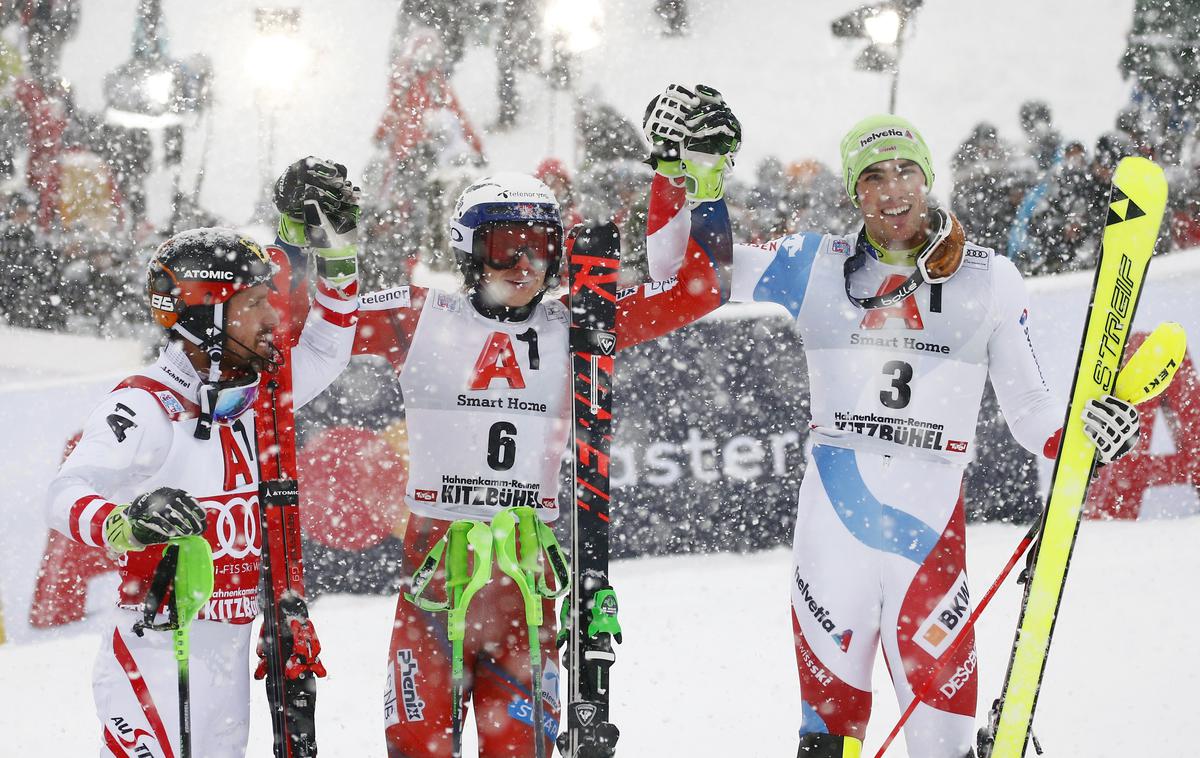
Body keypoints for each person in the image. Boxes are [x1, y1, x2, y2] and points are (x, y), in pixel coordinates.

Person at [642, 90, 1143, 757]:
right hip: (832, 538)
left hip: (927, 541)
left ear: (928, 177)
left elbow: (1030, 410)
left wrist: (1084, 434)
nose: (892, 189)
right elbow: (678, 275)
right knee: (827, 743)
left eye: (905, 169)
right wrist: (684, 178)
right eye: (872, 177)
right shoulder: (813, 264)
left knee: (944, 746)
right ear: (856, 194)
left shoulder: (991, 277)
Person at [352, 168, 728, 756]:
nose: (524, 262)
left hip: (526, 587)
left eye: (543, 245)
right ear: (468, 248)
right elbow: (299, 322)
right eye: (505, 244)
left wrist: (688, 178)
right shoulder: (420, 314)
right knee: (416, 748)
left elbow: (700, 288)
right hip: (435, 580)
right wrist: (303, 242)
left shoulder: (581, 321)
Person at [44, 159, 361, 757]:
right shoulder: (147, 404)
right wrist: (123, 521)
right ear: (203, 319)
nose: (274, 318)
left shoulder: (257, 396)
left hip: (227, 663)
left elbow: (328, 345)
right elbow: (64, 493)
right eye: (253, 306)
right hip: (157, 658)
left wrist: (337, 259)